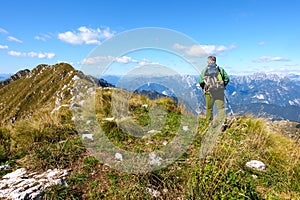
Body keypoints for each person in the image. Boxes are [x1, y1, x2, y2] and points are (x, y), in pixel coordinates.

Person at [199, 56, 230, 127]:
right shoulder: (220, 69)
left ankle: (209, 123)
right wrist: (222, 85)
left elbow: (201, 81)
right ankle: (223, 123)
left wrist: (203, 87)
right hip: (219, 91)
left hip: (209, 92)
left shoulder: (205, 70)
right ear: (215, 61)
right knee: (221, 108)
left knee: (209, 108)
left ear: (208, 62)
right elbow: (227, 78)